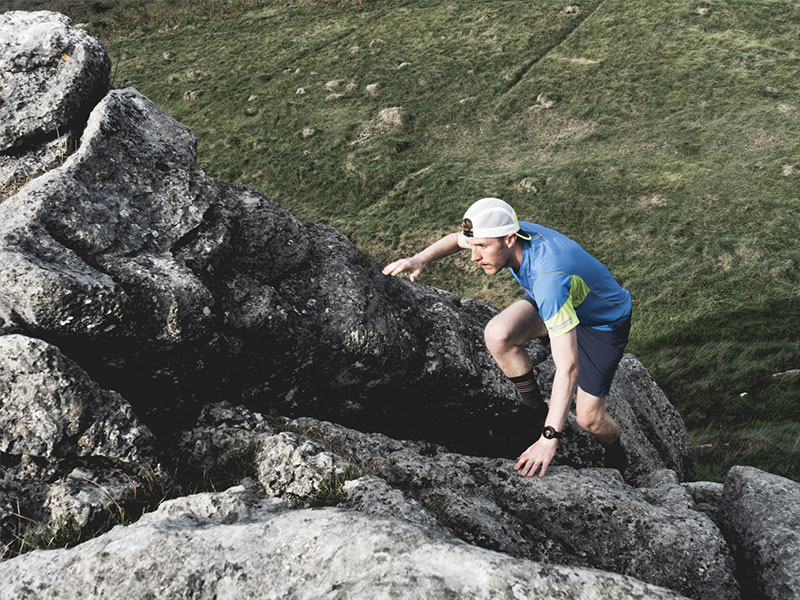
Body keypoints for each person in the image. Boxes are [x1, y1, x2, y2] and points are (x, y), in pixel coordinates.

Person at [382, 198, 632, 478]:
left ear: (510, 239)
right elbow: (457, 239)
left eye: (483, 248)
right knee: (498, 334)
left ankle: (617, 452)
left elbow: (569, 367)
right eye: (475, 246)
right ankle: (533, 411)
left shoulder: (548, 277)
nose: (475, 256)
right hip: (561, 300)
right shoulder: (503, 234)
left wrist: (550, 439)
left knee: (590, 419)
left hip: (601, 323)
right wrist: (420, 259)